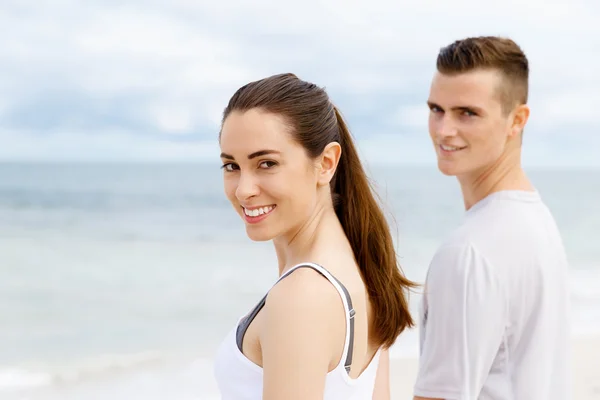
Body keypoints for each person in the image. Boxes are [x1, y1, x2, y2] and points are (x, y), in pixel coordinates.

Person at [212, 73, 417, 399]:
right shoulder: (362, 269)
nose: (244, 190)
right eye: (231, 166)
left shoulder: (301, 296)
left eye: (266, 163)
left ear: (325, 163)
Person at [413, 36, 571, 400]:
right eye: (436, 109)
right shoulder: (536, 220)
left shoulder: (469, 253)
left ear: (517, 120)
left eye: (466, 113)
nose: (443, 130)